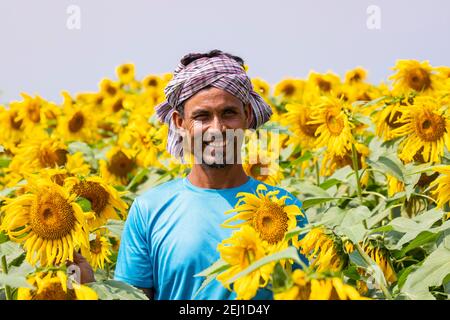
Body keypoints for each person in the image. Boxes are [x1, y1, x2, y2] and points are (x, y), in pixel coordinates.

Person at [77, 50, 308, 300]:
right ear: (179, 122)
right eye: (202, 116)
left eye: (228, 113)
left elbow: (301, 292)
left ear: (247, 116)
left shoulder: (284, 209)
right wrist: (90, 289)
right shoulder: (149, 210)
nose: (217, 128)